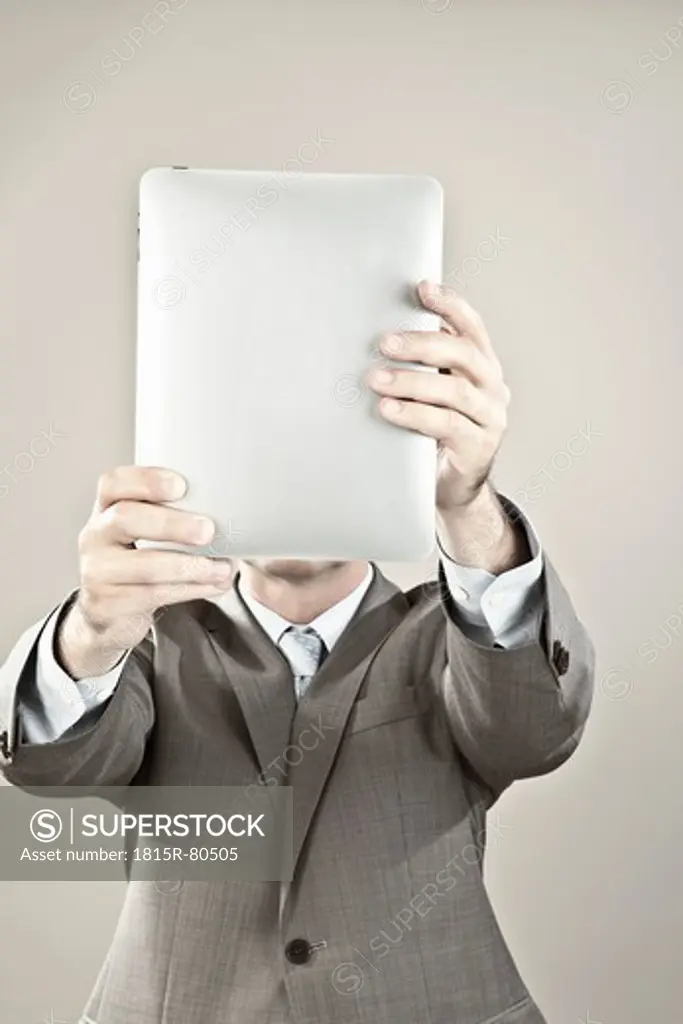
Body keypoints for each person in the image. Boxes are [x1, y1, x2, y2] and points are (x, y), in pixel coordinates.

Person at [0, 282, 594, 1024]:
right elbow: (51, 770)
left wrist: (467, 503)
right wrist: (91, 633)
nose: (295, 472)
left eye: (325, 442)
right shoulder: (155, 644)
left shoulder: (451, 640)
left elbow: (533, 732)